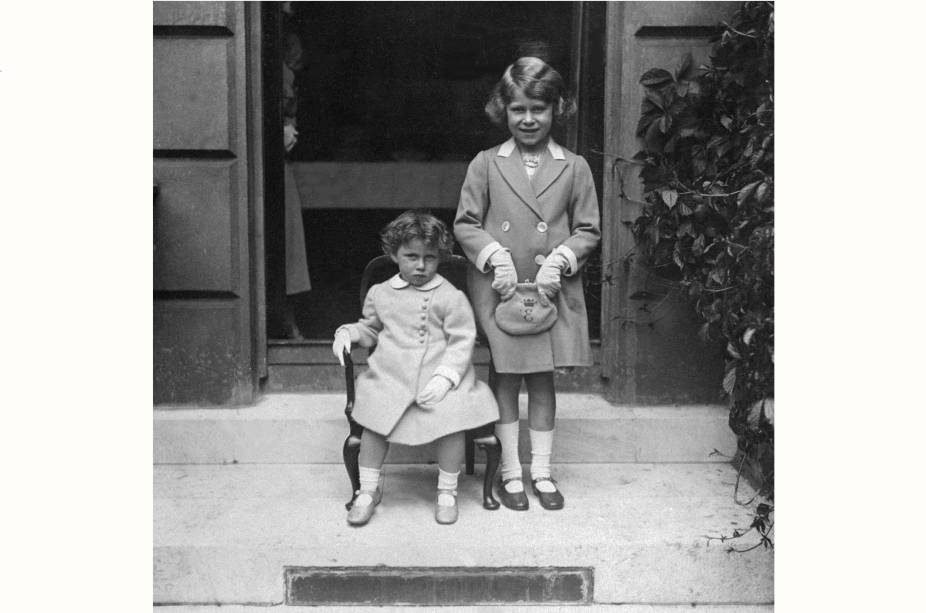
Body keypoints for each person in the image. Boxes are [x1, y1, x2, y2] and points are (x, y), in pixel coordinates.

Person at [454, 57, 601, 511]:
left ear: (557, 108)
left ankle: (542, 471)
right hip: (502, 289)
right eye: (518, 109)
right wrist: (492, 253)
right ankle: (510, 473)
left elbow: (589, 229)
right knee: (505, 376)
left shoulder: (573, 166)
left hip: (548, 289)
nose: (529, 119)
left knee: (541, 380)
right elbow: (465, 222)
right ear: (504, 109)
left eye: (538, 108)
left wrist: (562, 258)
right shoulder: (486, 163)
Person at [332, 211, 499, 526]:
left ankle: (447, 491)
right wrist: (348, 333)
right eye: (411, 257)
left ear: (440, 258)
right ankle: (368, 490)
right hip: (392, 372)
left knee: (452, 416)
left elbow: (463, 340)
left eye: (430, 258)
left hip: (441, 373)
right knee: (375, 415)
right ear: (394, 254)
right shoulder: (381, 293)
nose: (420, 266)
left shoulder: (450, 296)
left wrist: (446, 378)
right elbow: (369, 329)